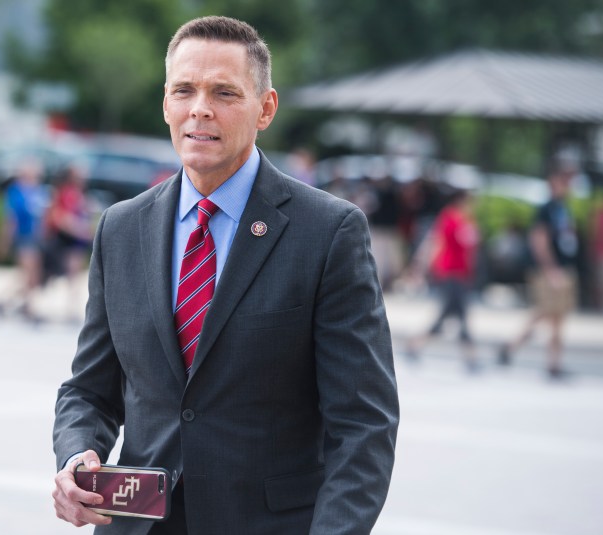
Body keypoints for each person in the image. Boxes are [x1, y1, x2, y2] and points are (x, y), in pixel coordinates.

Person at [52, 16, 399, 535]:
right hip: (136, 523)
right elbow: (90, 389)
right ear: (165, 102)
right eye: (184, 90)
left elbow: (363, 424)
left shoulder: (329, 233)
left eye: (224, 92)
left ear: (266, 109)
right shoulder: (121, 228)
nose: (200, 109)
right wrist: (78, 453)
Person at [498, 161, 580, 379]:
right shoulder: (546, 209)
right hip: (549, 270)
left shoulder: (563, 208)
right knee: (546, 312)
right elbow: (539, 241)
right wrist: (551, 269)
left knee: (555, 316)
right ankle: (512, 347)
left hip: (561, 268)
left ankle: (550, 361)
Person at [405, 189, 480, 372]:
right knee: (457, 315)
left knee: (451, 316)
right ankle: (470, 358)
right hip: (449, 272)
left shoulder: (467, 219)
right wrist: (424, 268)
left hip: (462, 274)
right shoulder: (449, 217)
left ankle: (415, 345)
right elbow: (437, 242)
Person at [0, 158, 49, 322]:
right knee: (28, 273)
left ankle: (4, 300)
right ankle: (29, 307)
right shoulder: (16, 192)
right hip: (23, 236)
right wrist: (4, 241)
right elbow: (11, 219)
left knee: (31, 275)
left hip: (35, 237)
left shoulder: (39, 191)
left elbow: (43, 217)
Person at [45, 163, 94, 322]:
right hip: (66, 239)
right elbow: (62, 217)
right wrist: (82, 231)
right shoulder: (65, 193)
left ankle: (70, 307)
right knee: (62, 274)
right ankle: (67, 308)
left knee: (73, 275)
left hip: (75, 240)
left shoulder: (79, 194)